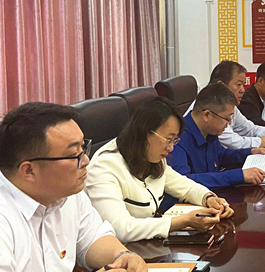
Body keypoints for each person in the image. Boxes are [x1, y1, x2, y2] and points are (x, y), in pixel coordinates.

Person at [0, 102, 148, 272]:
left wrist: (121, 256)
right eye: (74, 155)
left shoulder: (64, 189)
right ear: (29, 170)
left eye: (84, 148)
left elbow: (92, 236)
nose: (86, 160)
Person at [85, 97, 234, 243]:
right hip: (118, 251)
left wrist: (209, 199)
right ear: (145, 133)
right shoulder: (104, 167)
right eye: (168, 139)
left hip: (147, 245)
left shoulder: (152, 155)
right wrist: (182, 221)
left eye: (174, 140)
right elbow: (121, 228)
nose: (171, 148)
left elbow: (185, 186)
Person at [168, 83, 265, 188]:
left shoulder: (209, 130)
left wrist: (249, 152)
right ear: (207, 115)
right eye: (227, 118)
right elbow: (183, 181)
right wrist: (238, 175)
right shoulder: (176, 139)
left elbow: (220, 156)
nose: (229, 123)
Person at [195, 60, 265, 149]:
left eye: (243, 85)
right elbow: (235, 142)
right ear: (221, 85)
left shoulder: (231, 106)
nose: (243, 90)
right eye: (238, 84)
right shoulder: (210, 106)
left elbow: (250, 129)